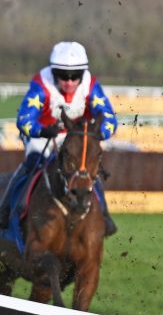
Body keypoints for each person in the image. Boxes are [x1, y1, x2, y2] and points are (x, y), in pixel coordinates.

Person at [0, 41, 118, 236]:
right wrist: (42, 130)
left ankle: (104, 215)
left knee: (87, 169)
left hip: (76, 138)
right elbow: (24, 119)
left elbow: (110, 119)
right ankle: (5, 210)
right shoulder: (41, 84)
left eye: (75, 76)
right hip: (43, 136)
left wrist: (97, 133)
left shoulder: (91, 86)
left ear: (83, 74)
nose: (69, 82)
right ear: (53, 73)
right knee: (32, 162)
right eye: (63, 75)